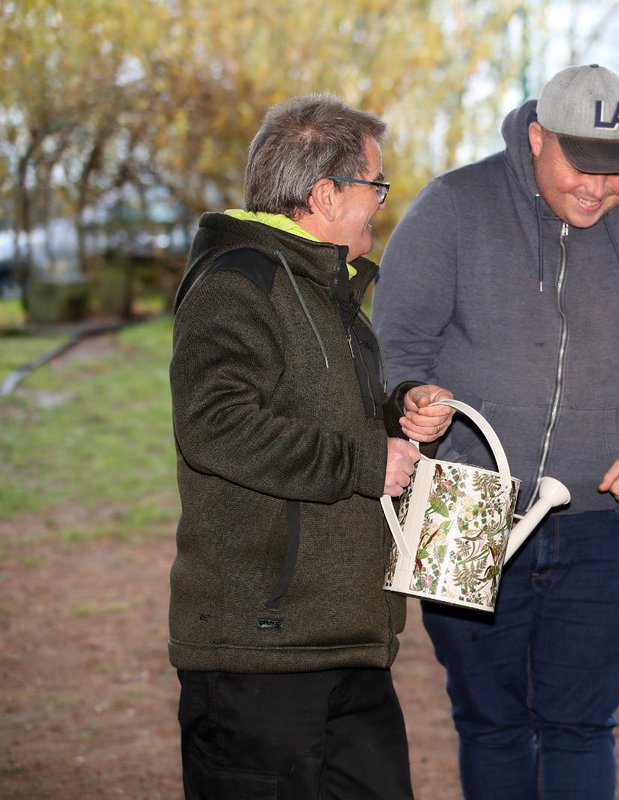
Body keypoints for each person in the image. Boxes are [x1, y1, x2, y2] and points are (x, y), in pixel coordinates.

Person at [372, 64, 619, 799]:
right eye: (583, 166)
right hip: (462, 507)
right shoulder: (452, 207)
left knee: (581, 726)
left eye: (618, 171)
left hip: (600, 520)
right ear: (537, 138)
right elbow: (394, 344)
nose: (600, 188)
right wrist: (410, 398)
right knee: (488, 721)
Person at [168, 93, 454, 799]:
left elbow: (313, 410)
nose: (381, 203)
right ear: (325, 193)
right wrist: (364, 461)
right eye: (375, 186)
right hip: (258, 655)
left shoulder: (327, 287)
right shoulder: (238, 282)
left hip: (348, 639)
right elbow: (216, 425)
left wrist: (398, 412)